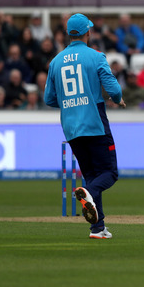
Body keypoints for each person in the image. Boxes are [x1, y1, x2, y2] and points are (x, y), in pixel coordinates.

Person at [44, 13, 126, 239]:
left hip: (71, 127)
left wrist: (70, 102)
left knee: (91, 174)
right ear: (88, 32)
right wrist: (117, 99)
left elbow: (49, 99)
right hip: (94, 121)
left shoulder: (56, 61)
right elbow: (114, 89)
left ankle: (97, 228)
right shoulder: (96, 56)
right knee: (109, 173)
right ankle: (88, 194)